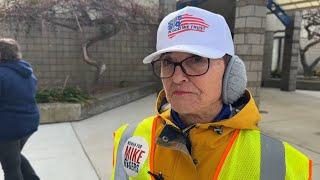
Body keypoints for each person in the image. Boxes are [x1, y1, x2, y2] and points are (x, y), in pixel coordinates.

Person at [112, 6, 312, 180]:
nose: (177, 78)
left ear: (231, 71)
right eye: (168, 62)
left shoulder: (281, 164)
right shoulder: (130, 138)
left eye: (197, 59)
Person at [0, 38, 40, 180]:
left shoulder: (2, 75)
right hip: (28, 124)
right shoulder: (25, 70)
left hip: (8, 129)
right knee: (13, 156)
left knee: (10, 167)